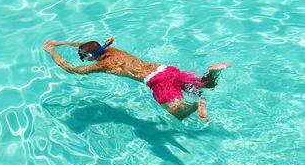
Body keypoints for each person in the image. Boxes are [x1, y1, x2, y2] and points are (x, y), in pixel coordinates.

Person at [43, 38, 230, 121]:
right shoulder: (112, 50)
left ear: (91, 56)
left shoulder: (103, 65)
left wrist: (52, 52)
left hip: (155, 81)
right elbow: (87, 44)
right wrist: (62, 43)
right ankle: (212, 73)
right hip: (165, 69)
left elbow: (72, 69)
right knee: (205, 85)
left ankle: (198, 103)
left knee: (178, 113)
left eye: (83, 55)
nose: (81, 57)